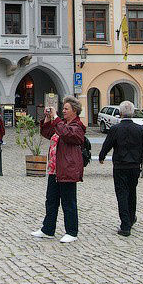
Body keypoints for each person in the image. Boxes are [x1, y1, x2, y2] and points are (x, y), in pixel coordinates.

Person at [32, 97, 85, 243]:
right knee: (51, 200)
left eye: (66, 109)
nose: (63, 111)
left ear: (74, 111)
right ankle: (48, 229)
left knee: (68, 202)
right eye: (63, 109)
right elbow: (47, 133)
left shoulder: (77, 126)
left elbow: (67, 134)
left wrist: (56, 118)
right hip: (55, 169)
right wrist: (48, 119)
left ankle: (72, 231)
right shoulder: (62, 124)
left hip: (67, 169)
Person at [99, 100, 143, 236]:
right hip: (134, 166)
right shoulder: (140, 129)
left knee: (122, 194)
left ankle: (125, 225)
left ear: (120, 113)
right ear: (133, 113)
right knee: (132, 192)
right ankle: (131, 217)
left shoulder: (115, 129)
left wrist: (102, 156)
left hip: (120, 166)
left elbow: (107, 145)